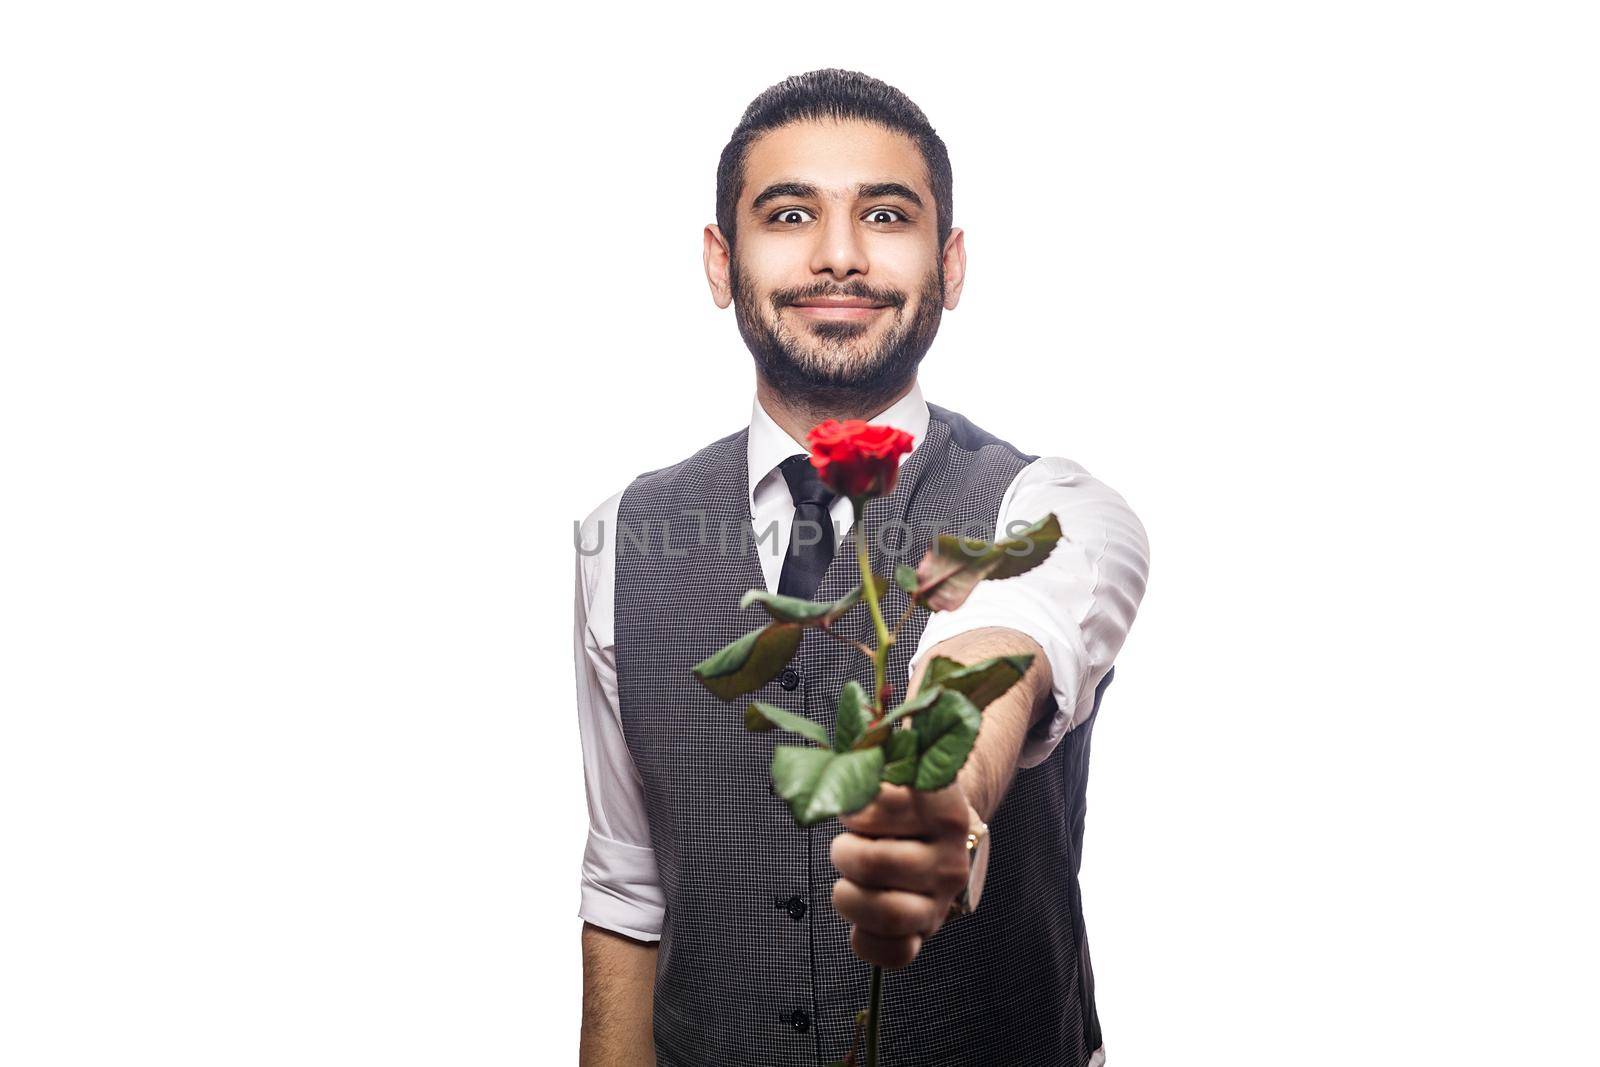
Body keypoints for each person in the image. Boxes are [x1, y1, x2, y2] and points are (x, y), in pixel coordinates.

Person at [573, 69, 1150, 1066]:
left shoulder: (1052, 510)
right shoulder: (621, 533)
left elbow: (1005, 637)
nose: (838, 255)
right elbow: (627, 891)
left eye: (885, 215)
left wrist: (944, 792)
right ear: (721, 262)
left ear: (949, 263)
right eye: (788, 213)